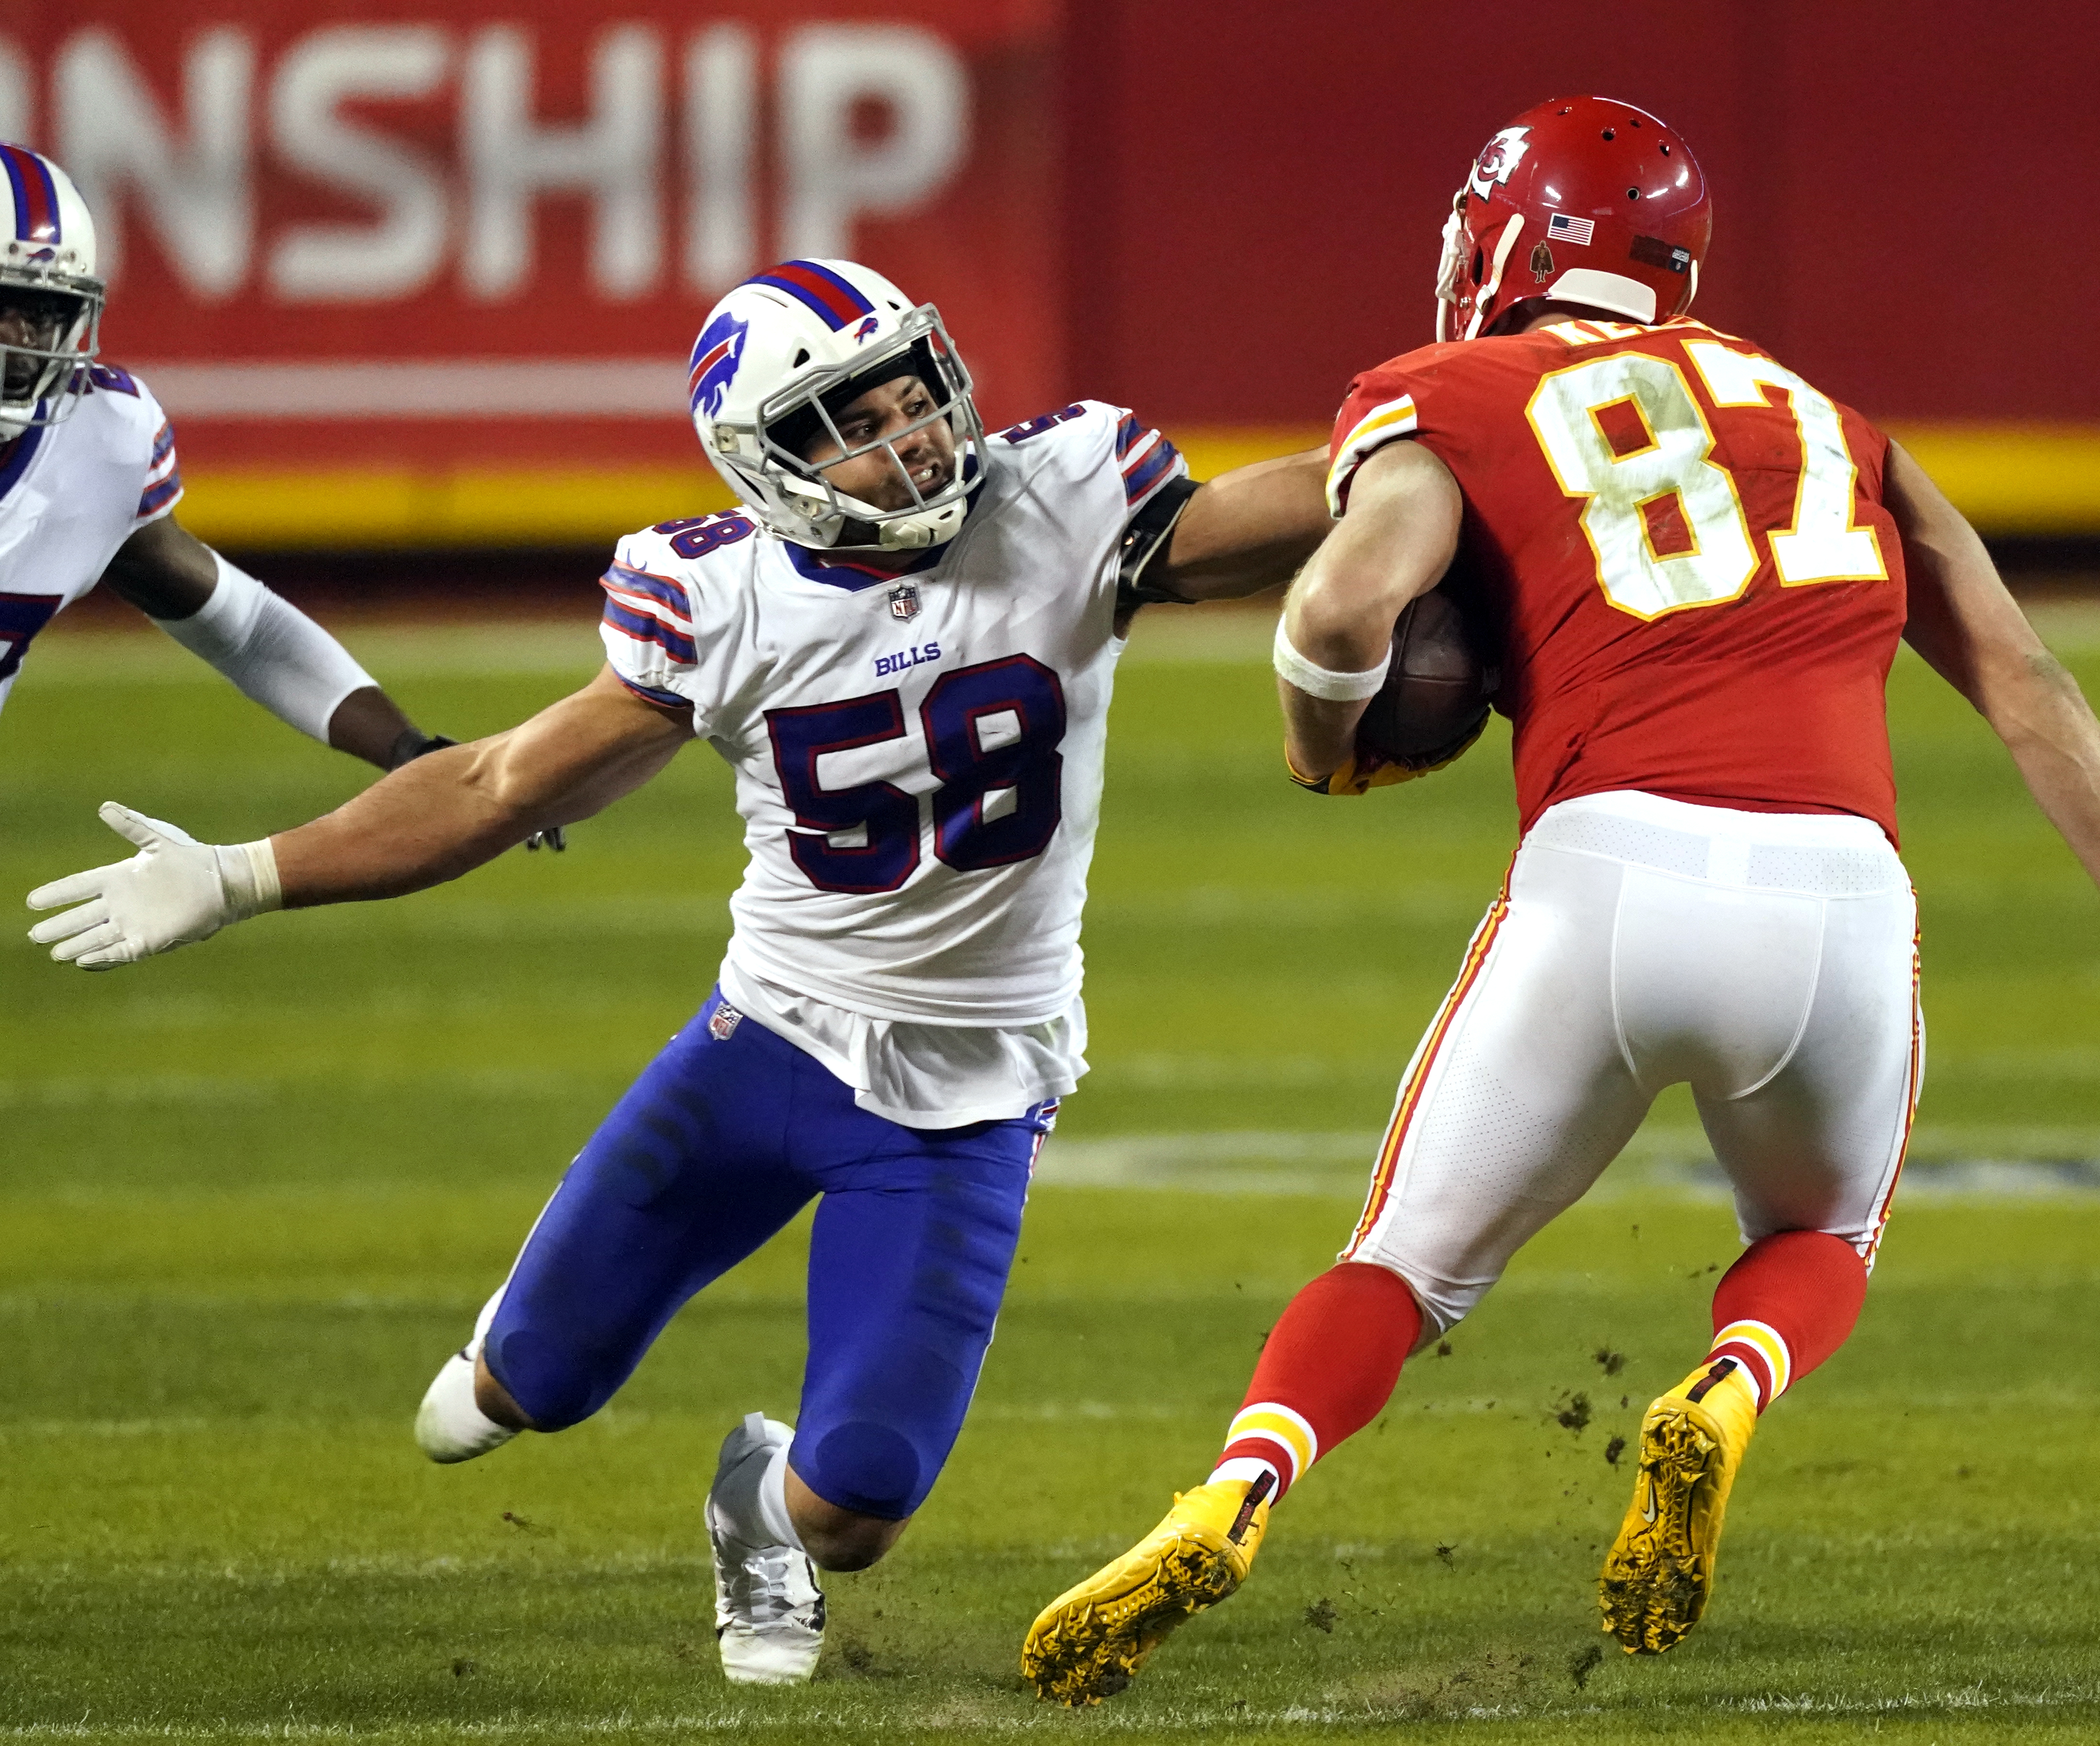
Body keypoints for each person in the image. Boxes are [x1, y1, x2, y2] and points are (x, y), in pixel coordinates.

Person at [1020, 96, 2100, 1705]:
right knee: (1823, 1231)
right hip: (1838, 900)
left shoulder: (1453, 390)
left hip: (1606, 878)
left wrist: (1323, 752)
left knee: (1397, 1266)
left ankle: (1230, 1497)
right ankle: (1726, 1390)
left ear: (1510, 244)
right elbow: (2021, 675)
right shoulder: (1830, 418)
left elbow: (1335, 604)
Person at [24, 255, 1332, 1685]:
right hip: (764, 1043)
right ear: (764, 459)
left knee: (859, 1506)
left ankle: (748, 1501)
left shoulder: (1068, 494)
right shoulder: (719, 594)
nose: (912, 440)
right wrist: (239, 874)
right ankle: (528, 1351)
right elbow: (500, 786)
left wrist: (1447, 436)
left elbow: (1287, 510)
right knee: (518, 1390)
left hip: (967, 1090)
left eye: (916, 396)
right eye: (852, 418)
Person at [0, 144, 449, 773]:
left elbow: (245, 629)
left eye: (41, 313)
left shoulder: (97, 442)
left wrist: (412, 753)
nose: (20, 343)